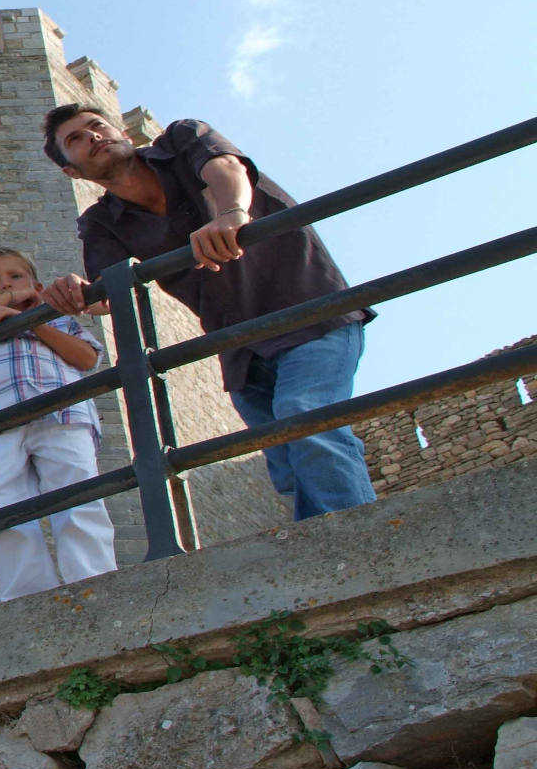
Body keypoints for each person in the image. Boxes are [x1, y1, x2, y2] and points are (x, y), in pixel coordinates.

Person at [38, 105, 376, 520]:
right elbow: (105, 298)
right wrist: (72, 291)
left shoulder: (183, 140)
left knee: (305, 417)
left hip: (310, 309)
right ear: (71, 171)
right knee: (288, 464)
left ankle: (361, 545)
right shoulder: (102, 222)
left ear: (120, 131)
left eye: (96, 125)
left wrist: (232, 213)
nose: (92, 136)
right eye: (75, 139)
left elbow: (227, 169)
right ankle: (333, 558)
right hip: (240, 348)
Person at [0, 247, 117, 601]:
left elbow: (86, 358)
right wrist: (4, 305)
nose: (6, 285)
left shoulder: (55, 317)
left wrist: (31, 323)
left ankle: (93, 583)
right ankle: (27, 595)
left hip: (62, 415)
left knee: (77, 495)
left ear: (36, 284)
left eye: (15, 277)